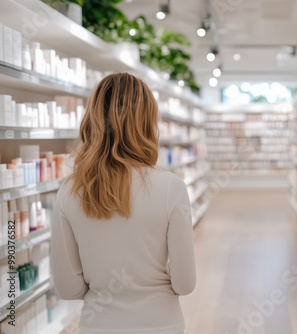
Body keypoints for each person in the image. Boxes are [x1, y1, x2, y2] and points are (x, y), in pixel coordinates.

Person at [51, 73, 196, 334]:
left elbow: (67, 287)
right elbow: (185, 283)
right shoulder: (171, 187)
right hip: (161, 325)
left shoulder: (70, 190)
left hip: (98, 325)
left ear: (92, 119)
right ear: (148, 122)